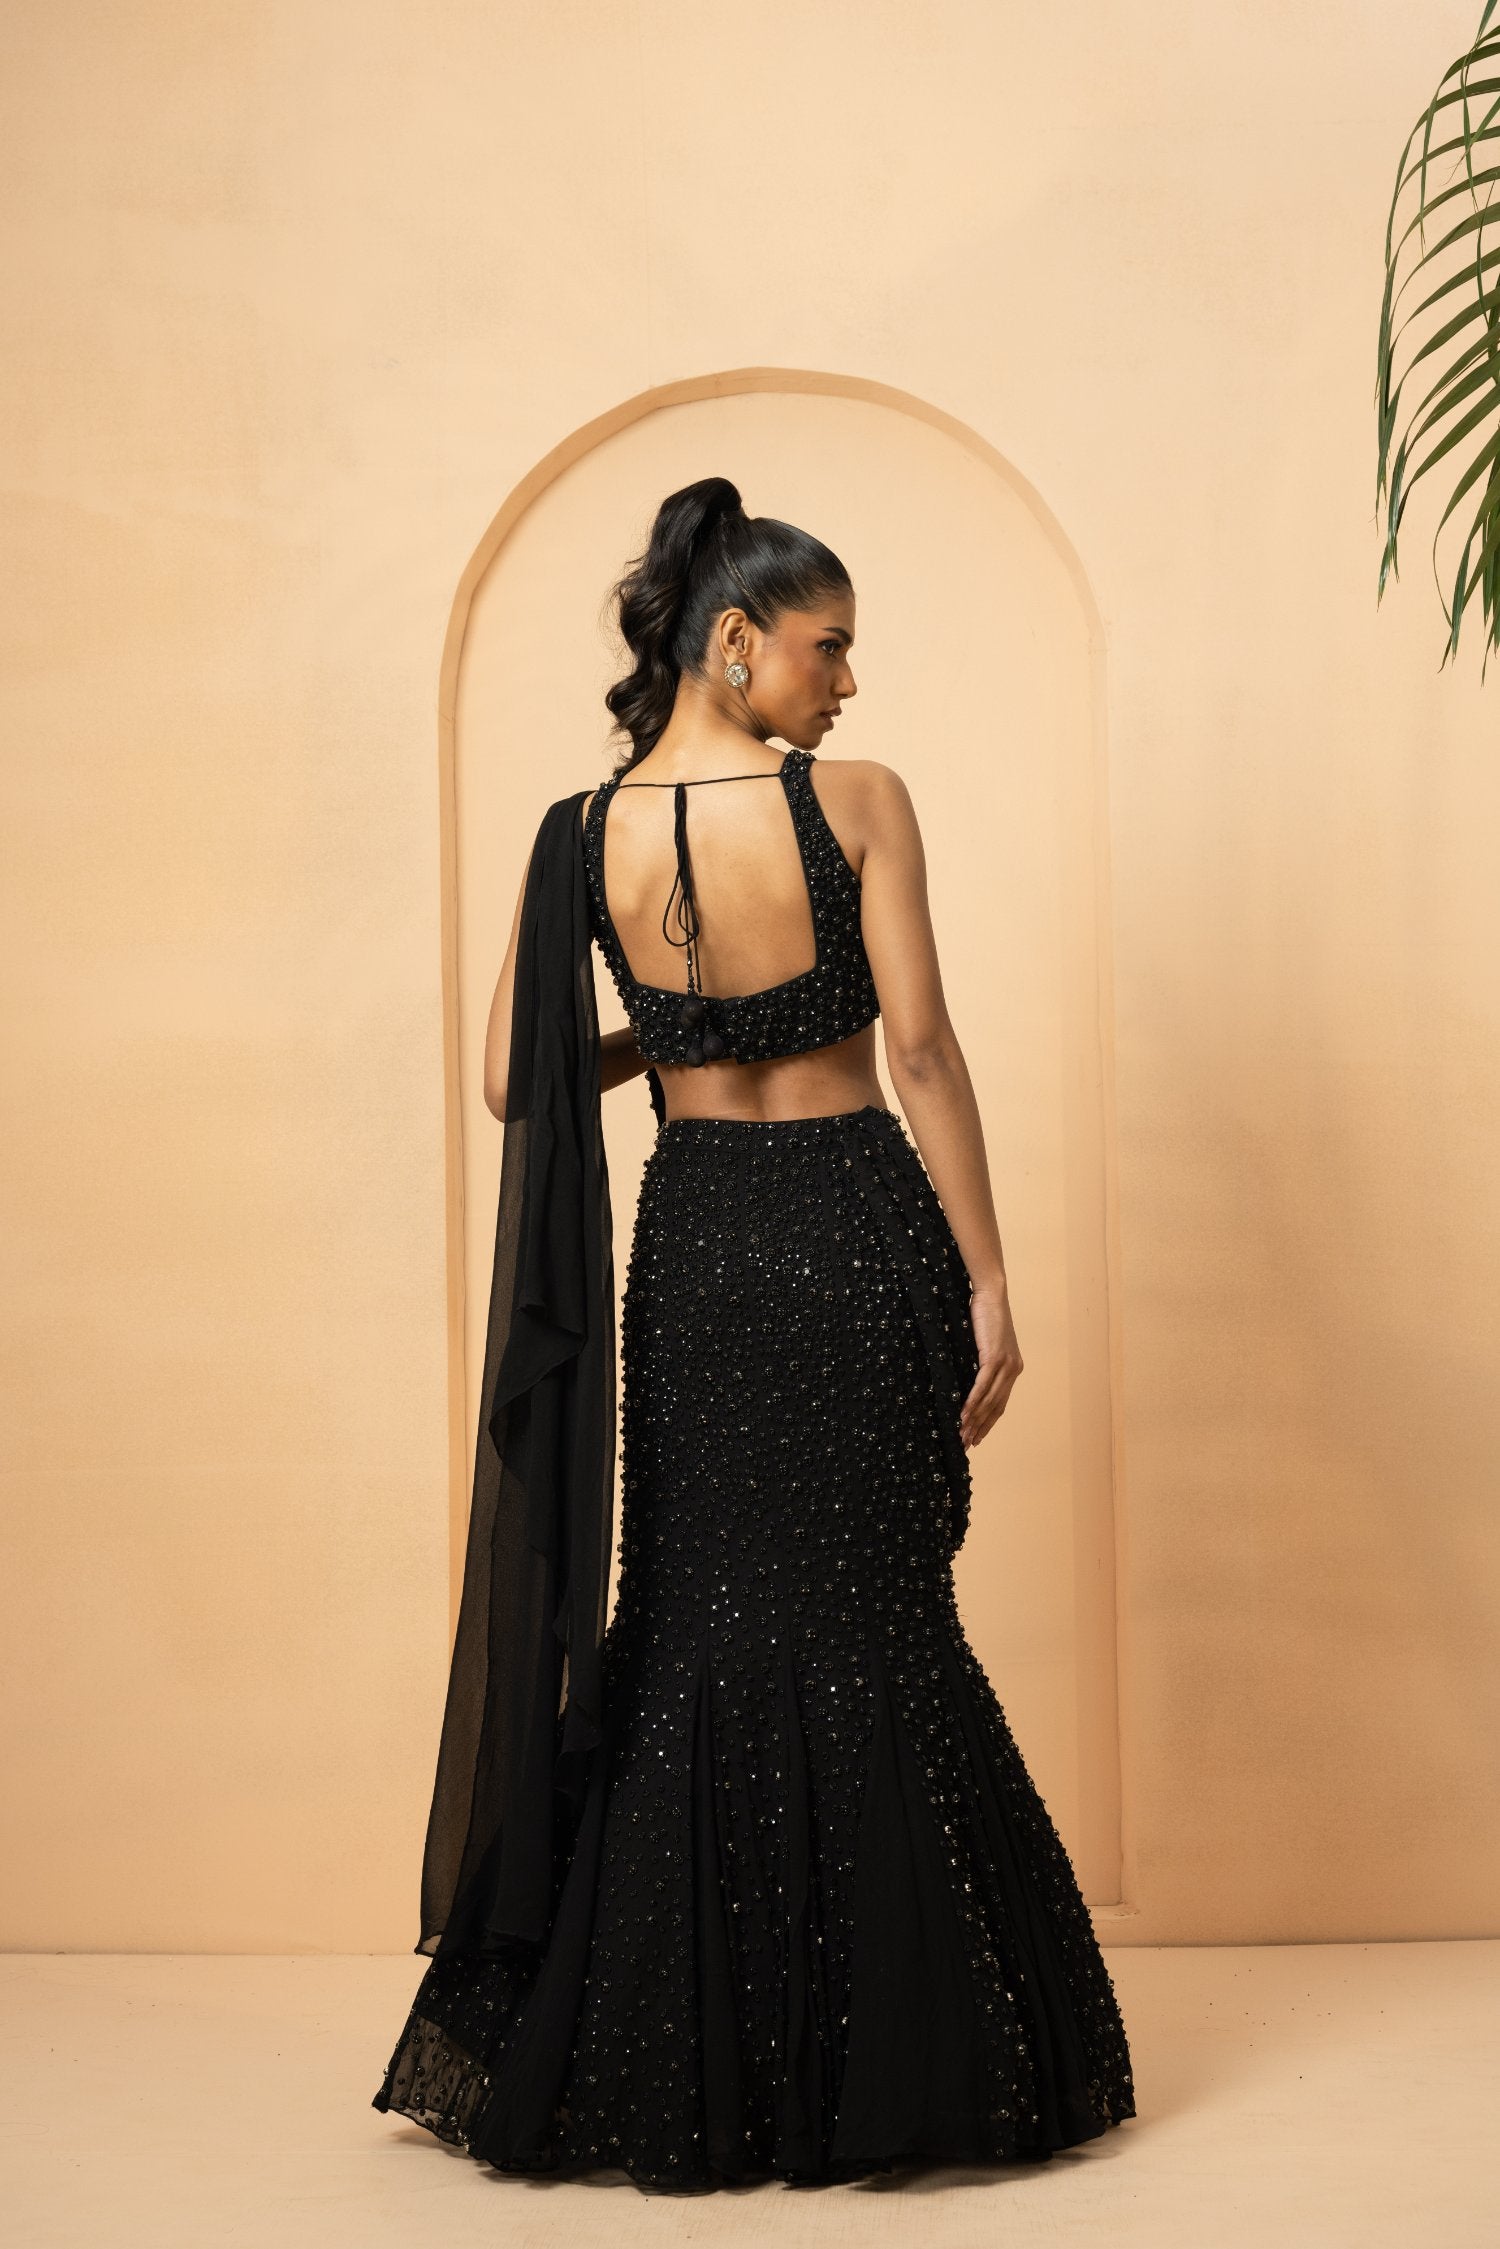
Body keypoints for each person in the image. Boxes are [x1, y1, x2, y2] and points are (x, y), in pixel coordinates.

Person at [371, 476, 1136, 2193]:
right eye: (827, 646)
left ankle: (697, 2056)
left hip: (700, 1246)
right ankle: (897, 2044)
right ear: (734, 642)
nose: (847, 681)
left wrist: (673, 1035)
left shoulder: (579, 832)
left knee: (695, 1624)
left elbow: (512, 1080)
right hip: (856, 1228)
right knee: (876, 1613)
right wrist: (990, 1276)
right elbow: (920, 1051)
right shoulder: (857, 803)